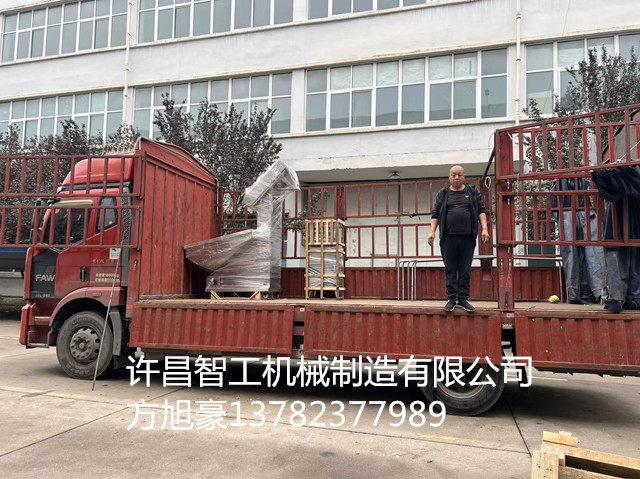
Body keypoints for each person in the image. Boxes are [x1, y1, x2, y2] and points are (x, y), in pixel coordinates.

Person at [427, 166, 489, 312]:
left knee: (465, 269)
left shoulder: (472, 192)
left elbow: (481, 211)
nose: (456, 177)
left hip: (467, 237)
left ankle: (463, 299)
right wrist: (432, 232)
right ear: (449, 177)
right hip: (448, 238)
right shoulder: (443, 194)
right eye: (453, 175)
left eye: (459, 175)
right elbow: (435, 214)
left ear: (464, 176)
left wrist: (485, 229)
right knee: (450, 268)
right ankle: (451, 298)